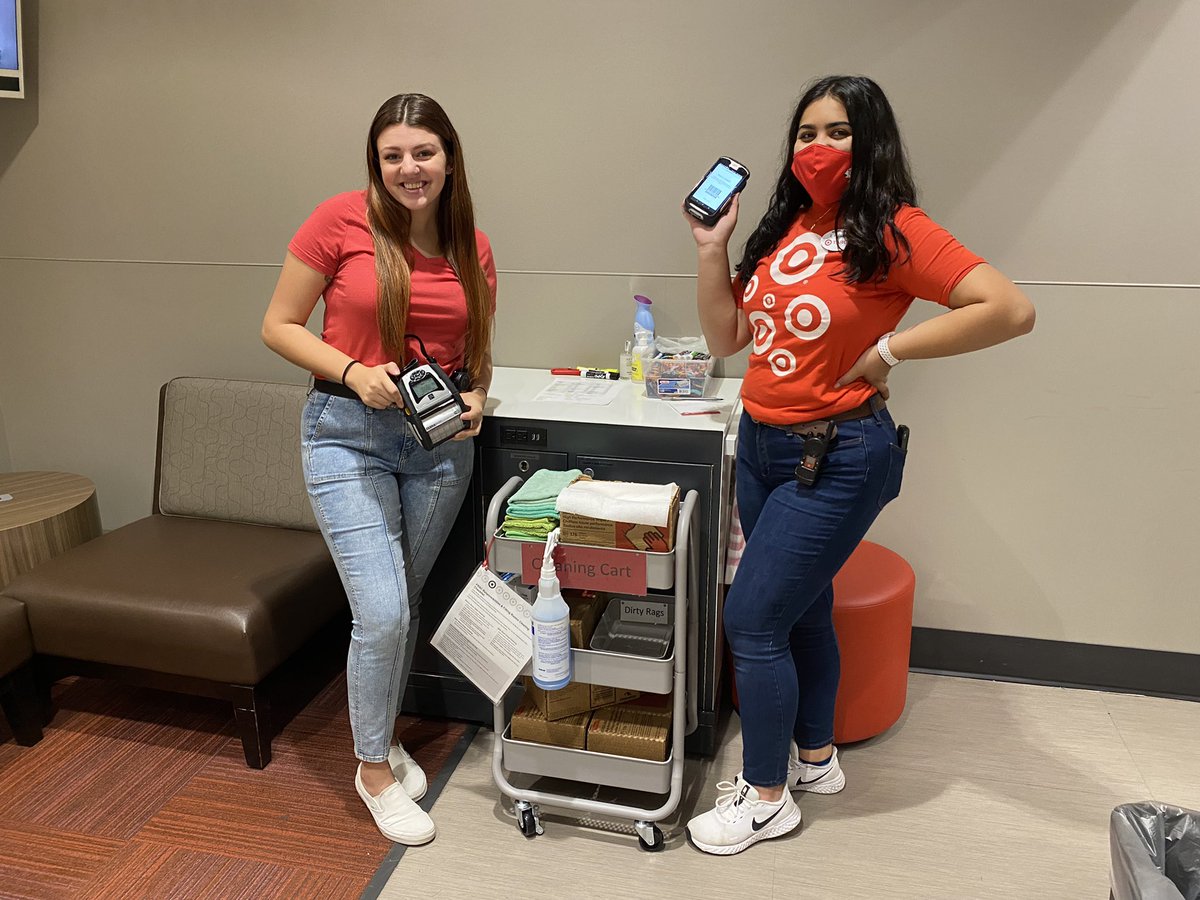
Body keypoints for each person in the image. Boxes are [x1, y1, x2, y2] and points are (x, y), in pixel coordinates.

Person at [682, 75, 1034, 856]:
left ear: (870, 141)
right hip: (763, 446)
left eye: (838, 132)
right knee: (802, 609)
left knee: (752, 620)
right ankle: (815, 759)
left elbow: (1008, 309)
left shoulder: (894, 228)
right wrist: (711, 249)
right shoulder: (785, 227)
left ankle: (766, 799)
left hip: (838, 453)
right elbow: (725, 338)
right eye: (806, 133)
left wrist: (888, 351)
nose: (818, 148)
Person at [261, 93, 496, 846]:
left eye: (423, 152)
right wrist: (353, 371)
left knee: (402, 599)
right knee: (385, 611)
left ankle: (383, 737)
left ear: (449, 158)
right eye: (392, 155)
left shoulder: (471, 244)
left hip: (439, 447)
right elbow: (277, 326)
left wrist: (478, 397)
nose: (408, 168)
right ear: (376, 162)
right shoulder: (339, 220)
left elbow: (477, 353)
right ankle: (372, 770)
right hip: (346, 434)